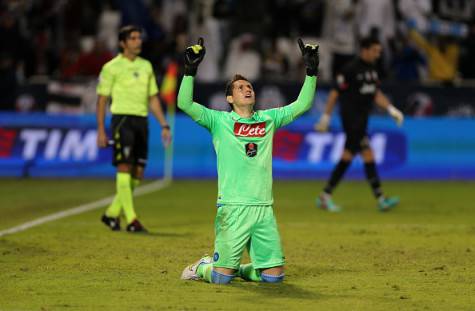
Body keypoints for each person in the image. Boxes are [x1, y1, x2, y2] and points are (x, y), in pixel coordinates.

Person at [178, 38, 319, 284]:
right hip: (233, 206)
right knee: (220, 278)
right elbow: (184, 104)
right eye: (240, 87)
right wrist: (190, 72)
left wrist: (311, 72)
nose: (247, 89)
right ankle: (203, 266)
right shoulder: (218, 121)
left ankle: (238, 269)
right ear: (230, 98)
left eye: (249, 86)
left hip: (263, 207)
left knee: (274, 278)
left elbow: (303, 104)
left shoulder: (268, 119)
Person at [314, 36, 403, 212]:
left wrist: (391, 109)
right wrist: (326, 117)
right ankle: (379, 199)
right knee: (360, 155)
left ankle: (327, 195)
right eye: (375, 51)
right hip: (351, 119)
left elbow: (375, 94)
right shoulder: (350, 69)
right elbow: (334, 94)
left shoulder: (372, 70)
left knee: (354, 155)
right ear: (365, 50)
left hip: (362, 119)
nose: (378, 55)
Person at [96, 25, 171, 232]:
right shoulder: (111, 67)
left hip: (142, 121)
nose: (138, 41)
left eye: (139, 38)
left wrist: (164, 124)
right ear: (123, 43)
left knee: (138, 172)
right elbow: (102, 100)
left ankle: (111, 213)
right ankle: (131, 220)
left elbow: (153, 98)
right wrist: (101, 130)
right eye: (134, 38)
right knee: (124, 166)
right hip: (122, 120)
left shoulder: (146, 66)